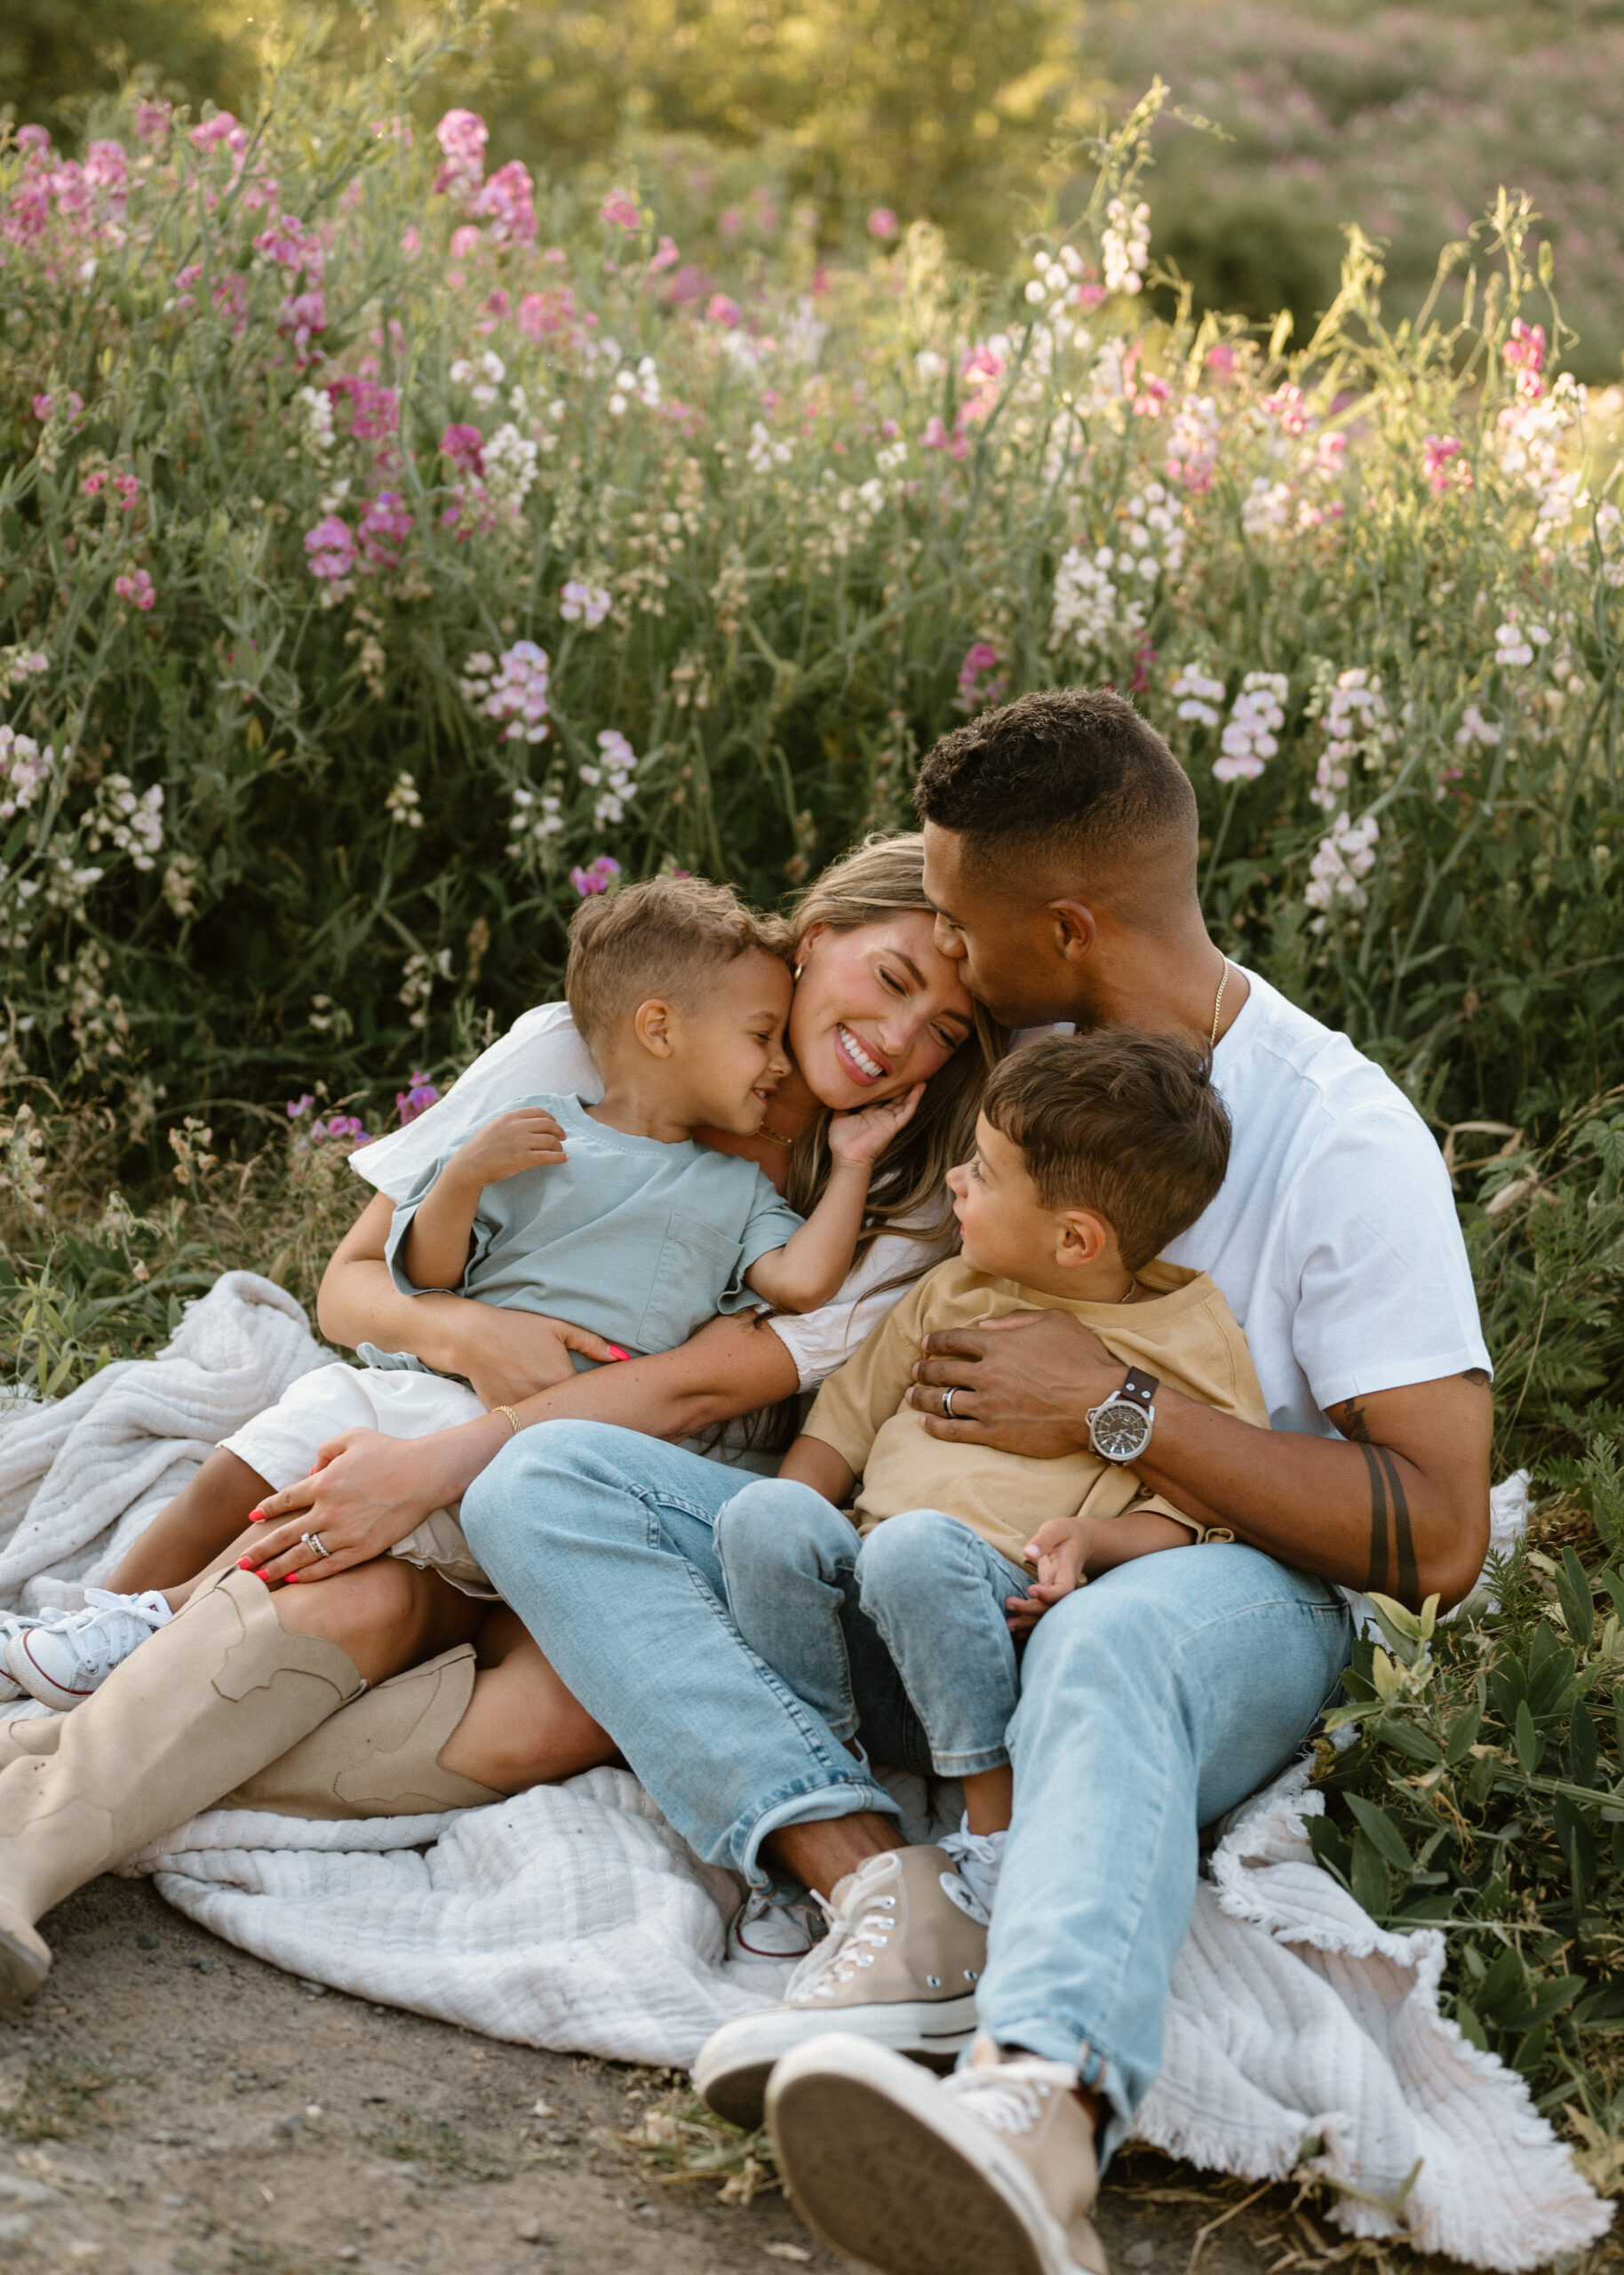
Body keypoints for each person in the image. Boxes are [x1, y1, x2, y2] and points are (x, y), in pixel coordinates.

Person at [450, 687, 1493, 2275]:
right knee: (545, 1489)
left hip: (1184, 1589)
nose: (937, 948)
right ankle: (872, 1886)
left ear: (1064, 928)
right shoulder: (1002, 1077)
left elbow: (1437, 1532)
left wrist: (1119, 1408)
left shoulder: (1338, 1136)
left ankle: (1038, 2104)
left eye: (955, 917)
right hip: (909, 1564)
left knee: (1105, 1639)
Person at [0, 834, 999, 2008]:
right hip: (471, 1419)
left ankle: (45, 1767)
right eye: (892, 979)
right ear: (818, 934)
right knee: (348, 1581)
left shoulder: (904, 1201)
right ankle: (26, 1855)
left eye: (945, 1031)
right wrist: (467, 1339)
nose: (902, 1039)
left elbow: (689, 1391)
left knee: (554, 1716)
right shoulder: (586, 1047)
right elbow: (356, 1282)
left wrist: (428, 1468)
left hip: (651, 1505)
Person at [3, 874, 919, 1711]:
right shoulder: (549, 1118)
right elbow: (413, 1273)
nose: (771, 1063)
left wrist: (849, 1165)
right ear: (658, 1028)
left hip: (561, 1437)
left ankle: (151, 1625)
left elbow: (799, 1282)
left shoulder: (741, 1194)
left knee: (323, 1509)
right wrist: (460, 1189)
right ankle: (90, 1621)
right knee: (274, 1444)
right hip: (438, 1380)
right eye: (759, 1036)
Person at [713, 1026, 1257, 1927]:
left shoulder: (1187, 1336)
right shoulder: (953, 1290)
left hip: (998, 1616)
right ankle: (826, 1783)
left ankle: (993, 1837)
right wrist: (795, 1531)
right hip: (864, 1600)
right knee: (763, 1512)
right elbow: (842, 1426)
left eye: (984, 1172)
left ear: (1075, 1238)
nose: (956, 1182)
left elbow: (1203, 1504)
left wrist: (1095, 1542)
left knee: (919, 1550)